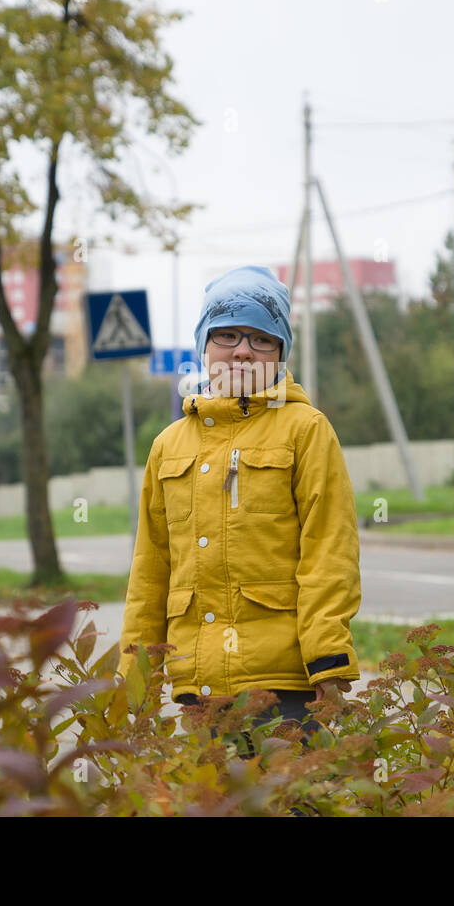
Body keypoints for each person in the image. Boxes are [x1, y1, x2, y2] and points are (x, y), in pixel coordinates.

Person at [118, 264, 361, 758]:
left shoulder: (306, 431)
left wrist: (328, 665)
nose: (243, 349)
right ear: (204, 348)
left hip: (286, 685)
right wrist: (134, 679)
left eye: (261, 338)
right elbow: (150, 570)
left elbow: (329, 553)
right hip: (199, 686)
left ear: (280, 354)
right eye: (226, 335)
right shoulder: (168, 446)